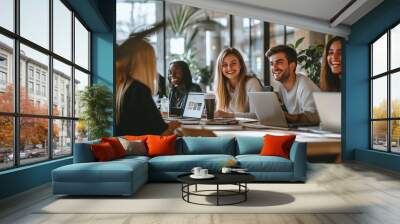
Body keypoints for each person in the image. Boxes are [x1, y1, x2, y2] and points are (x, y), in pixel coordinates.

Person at [115, 37, 180, 136]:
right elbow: (161, 134)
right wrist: (172, 127)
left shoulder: (121, 86)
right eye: (153, 60)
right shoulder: (138, 89)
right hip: (140, 149)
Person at [265, 45, 320, 125]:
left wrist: (287, 116)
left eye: (279, 62)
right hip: (298, 131)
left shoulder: (304, 85)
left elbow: (313, 118)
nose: (274, 68)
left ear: (292, 66)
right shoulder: (281, 87)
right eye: (272, 64)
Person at [214, 48, 263, 118]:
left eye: (233, 63)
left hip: (249, 128)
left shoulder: (252, 83)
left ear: (240, 65)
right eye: (224, 65)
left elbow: (257, 115)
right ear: (220, 69)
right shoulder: (221, 86)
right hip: (228, 127)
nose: (229, 68)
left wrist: (228, 115)